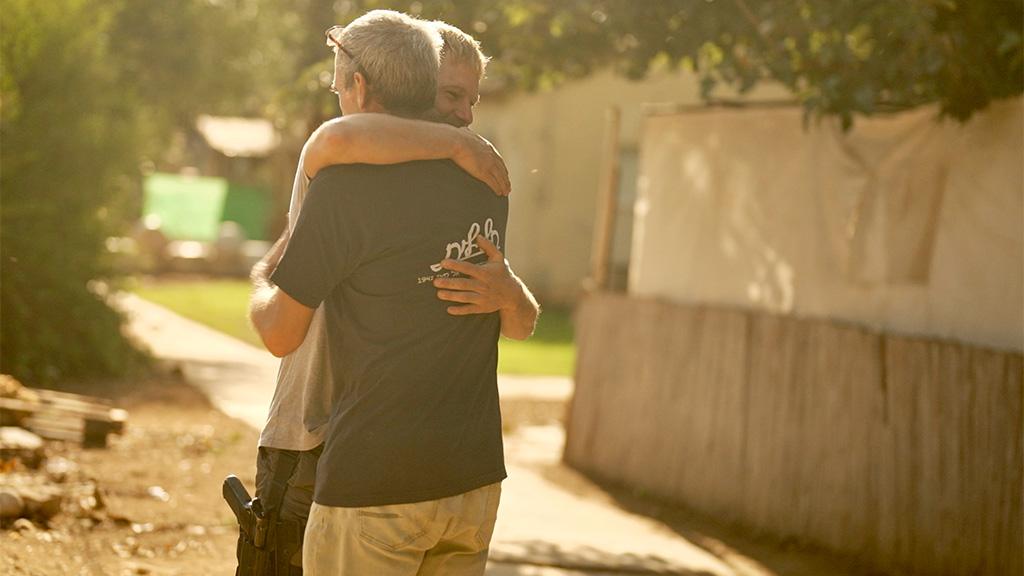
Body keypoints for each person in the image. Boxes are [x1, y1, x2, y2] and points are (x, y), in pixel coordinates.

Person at [248, 10, 538, 575]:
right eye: (453, 95)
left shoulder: (345, 182)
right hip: (470, 476)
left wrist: (260, 285)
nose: (464, 116)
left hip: (366, 466)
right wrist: (458, 149)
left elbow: (281, 331)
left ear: (357, 86)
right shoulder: (487, 181)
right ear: (426, 86)